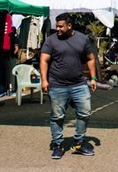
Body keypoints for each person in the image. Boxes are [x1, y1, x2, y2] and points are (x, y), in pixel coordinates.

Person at [40, 13, 97, 159]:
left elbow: (91, 59)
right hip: (57, 85)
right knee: (57, 117)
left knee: (85, 113)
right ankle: (57, 145)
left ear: (69, 26)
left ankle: (79, 143)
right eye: (56, 26)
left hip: (79, 84)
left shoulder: (82, 39)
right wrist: (44, 80)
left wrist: (93, 78)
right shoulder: (51, 40)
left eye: (60, 26)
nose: (57, 28)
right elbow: (44, 60)